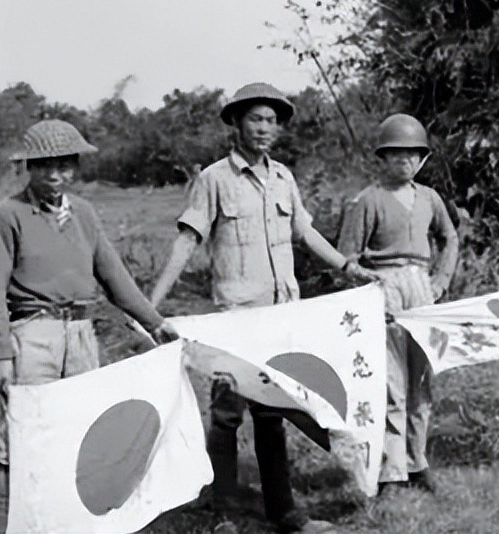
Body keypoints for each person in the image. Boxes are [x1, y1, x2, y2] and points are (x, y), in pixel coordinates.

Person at [148, 82, 378, 534]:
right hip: (236, 320)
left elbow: (306, 233)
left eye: (272, 121)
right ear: (236, 123)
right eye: (256, 119)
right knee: (228, 414)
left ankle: (285, 512)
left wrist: (349, 268)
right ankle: (226, 514)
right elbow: (188, 241)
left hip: (281, 315)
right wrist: (150, 306)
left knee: (273, 412)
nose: (265, 128)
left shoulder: (283, 178)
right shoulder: (214, 179)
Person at [0, 119, 178, 534]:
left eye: (64, 166)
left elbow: (114, 277)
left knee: (76, 435)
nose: (55, 175)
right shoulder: (6, 216)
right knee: (18, 438)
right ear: (28, 168)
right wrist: (0, 353)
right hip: (33, 334)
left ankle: (59, 523)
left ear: (75, 168)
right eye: (44, 166)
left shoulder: (83, 213)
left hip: (81, 335)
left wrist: (156, 324)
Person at [336, 113, 459, 494]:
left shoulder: (429, 198)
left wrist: (440, 280)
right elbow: (347, 257)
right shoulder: (368, 200)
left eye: (412, 155)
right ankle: (391, 469)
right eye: (395, 155)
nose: (403, 162)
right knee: (391, 385)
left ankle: (417, 460)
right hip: (384, 285)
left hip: (421, 286)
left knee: (423, 380)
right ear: (383, 158)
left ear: (421, 159)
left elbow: (449, 237)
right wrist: (369, 288)